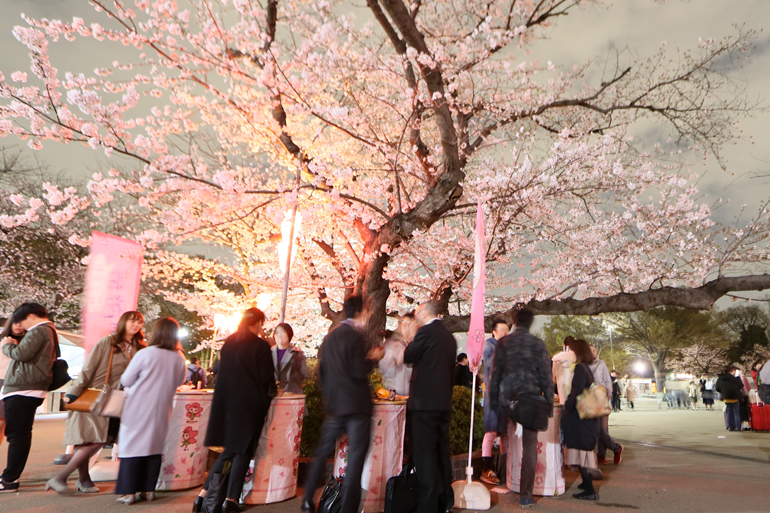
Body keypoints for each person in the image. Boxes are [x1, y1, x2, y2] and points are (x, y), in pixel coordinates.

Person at [47, 311, 146, 494]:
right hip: (97, 396)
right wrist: (74, 392)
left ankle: (83, 481)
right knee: (95, 440)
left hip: (118, 399)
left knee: (98, 439)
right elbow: (89, 368)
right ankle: (63, 478)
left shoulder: (139, 346)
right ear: (123, 322)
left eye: (139, 322)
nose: (136, 325)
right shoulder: (108, 342)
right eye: (132, 321)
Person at [301, 296, 384, 513]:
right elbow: (358, 370)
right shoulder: (356, 337)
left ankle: (307, 499)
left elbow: (322, 372)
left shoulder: (331, 337)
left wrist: (330, 396)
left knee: (322, 452)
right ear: (359, 312)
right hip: (357, 406)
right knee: (355, 459)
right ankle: (348, 508)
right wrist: (374, 358)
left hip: (335, 406)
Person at [195, 308, 276, 513]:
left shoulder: (230, 342)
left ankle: (203, 496)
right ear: (257, 323)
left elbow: (221, 370)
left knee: (230, 451)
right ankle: (230, 500)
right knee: (242, 452)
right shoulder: (260, 345)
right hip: (250, 405)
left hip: (228, 405)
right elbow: (267, 377)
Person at [115, 317, 186, 504]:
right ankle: (149, 490)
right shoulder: (179, 357)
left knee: (132, 446)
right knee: (154, 448)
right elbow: (180, 381)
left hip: (138, 406)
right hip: (162, 408)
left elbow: (126, 380)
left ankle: (129, 492)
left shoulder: (146, 354)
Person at [490, 309, 553, 510]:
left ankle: (508, 480)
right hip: (530, 400)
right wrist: (549, 403)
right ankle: (525, 495)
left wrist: (494, 402)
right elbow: (546, 376)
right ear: (531, 323)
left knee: (507, 439)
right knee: (530, 447)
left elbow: (495, 374)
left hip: (508, 401)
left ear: (514, 322)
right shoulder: (537, 344)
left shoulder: (503, 343)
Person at [404, 301, 457, 513]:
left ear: (425, 313)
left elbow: (409, 357)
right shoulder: (449, 337)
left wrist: (410, 337)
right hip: (443, 403)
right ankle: (445, 501)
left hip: (424, 404)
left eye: (417, 314)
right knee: (442, 452)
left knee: (424, 453)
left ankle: (427, 506)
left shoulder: (425, 332)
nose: (416, 318)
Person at [0, 303, 58, 493]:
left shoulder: (38, 330)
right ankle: (10, 477)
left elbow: (21, 354)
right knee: (20, 434)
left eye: (22, 320)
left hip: (23, 389)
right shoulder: (49, 330)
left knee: (17, 435)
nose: (21, 325)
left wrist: (7, 346)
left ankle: (9, 479)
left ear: (31, 316)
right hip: (30, 388)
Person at [562, 339, 600, 501]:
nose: (570, 353)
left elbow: (576, 391)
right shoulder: (587, 368)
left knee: (581, 451)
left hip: (580, 418)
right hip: (586, 417)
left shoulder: (579, 368)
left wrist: (567, 406)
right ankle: (585, 484)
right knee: (582, 450)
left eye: (572, 350)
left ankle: (590, 490)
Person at [480, 318, 509, 485]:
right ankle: (487, 469)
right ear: (494, 332)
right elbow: (491, 363)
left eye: (507, 331)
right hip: (494, 394)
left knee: (505, 433)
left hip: (506, 395)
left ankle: (505, 469)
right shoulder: (489, 345)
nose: (506, 334)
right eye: (503, 331)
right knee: (491, 431)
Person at [589, 345, 622, 466]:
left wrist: (609, 394)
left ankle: (601, 455)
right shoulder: (583, 364)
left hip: (602, 397)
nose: (592, 352)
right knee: (595, 429)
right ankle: (616, 448)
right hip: (590, 399)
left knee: (603, 428)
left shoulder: (601, 363)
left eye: (594, 350)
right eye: (590, 350)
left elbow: (607, 380)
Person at [0, 318, 26, 450]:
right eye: (16, 322)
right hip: (2, 381)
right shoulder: (3, 338)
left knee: (3, 422)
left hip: (12, 383)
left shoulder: (27, 342)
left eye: (21, 323)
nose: (18, 326)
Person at [378, 315, 415, 396]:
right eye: (404, 323)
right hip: (394, 393)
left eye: (410, 324)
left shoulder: (410, 345)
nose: (407, 327)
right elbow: (383, 371)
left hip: (408, 393)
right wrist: (396, 364)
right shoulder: (390, 345)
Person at [272, 322, 310, 395]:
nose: (279, 335)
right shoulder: (268, 353)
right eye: (277, 333)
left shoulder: (297, 354)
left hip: (292, 395)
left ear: (289, 335)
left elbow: (304, 374)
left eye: (282, 332)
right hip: (274, 396)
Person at [715, 366, 744, 432]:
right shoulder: (734, 378)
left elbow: (717, 388)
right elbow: (741, 386)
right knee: (736, 412)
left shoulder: (720, 378)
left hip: (726, 397)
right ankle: (738, 427)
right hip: (735, 397)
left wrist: (723, 392)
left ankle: (730, 427)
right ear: (730, 371)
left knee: (729, 411)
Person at [552, 336, 576, 405]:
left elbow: (554, 379)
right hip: (574, 389)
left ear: (563, 345)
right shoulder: (577, 357)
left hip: (561, 389)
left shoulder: (556, 358)